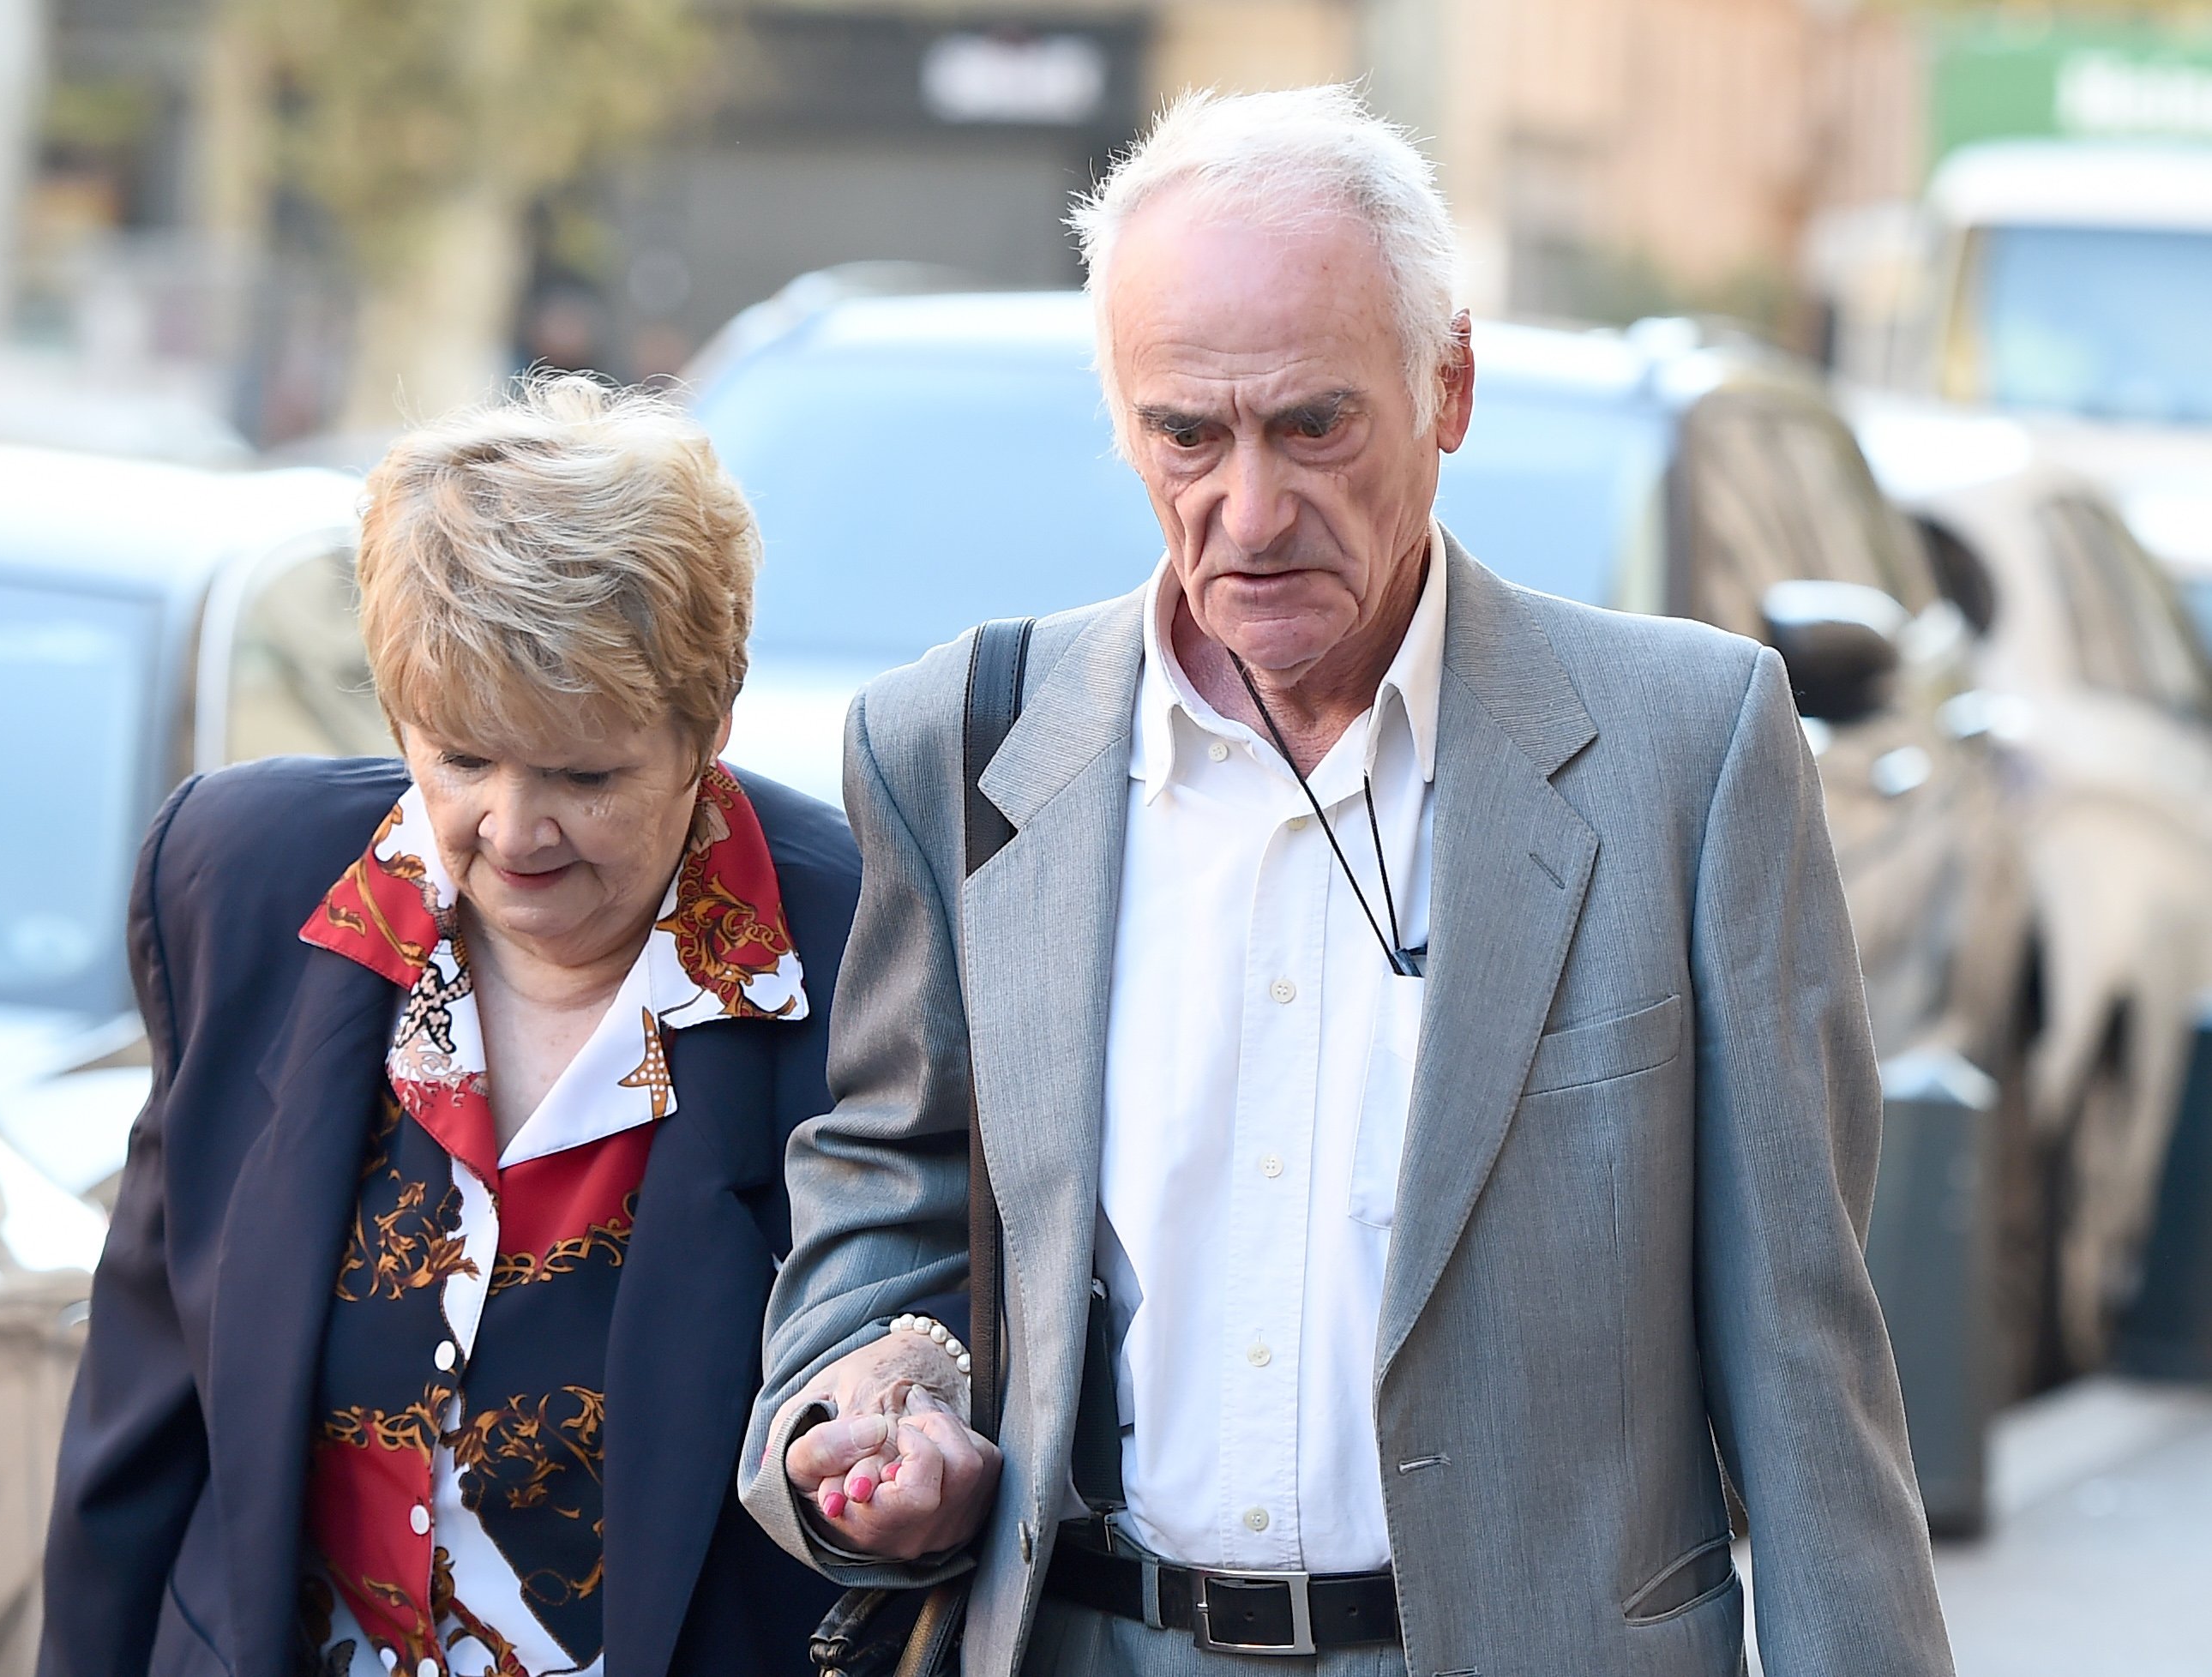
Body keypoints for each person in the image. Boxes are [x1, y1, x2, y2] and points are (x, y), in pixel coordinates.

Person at [740, 86, 1954, 1676]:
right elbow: (895, 1196)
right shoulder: (954, 748)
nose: (1248, 512)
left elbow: (1807, 1362)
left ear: (1448, 384)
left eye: (1315, 425)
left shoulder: (1690, 752)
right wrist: (858, 1422)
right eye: (1188, 435)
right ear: (1124, 419)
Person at [43, 376, 853, 1677]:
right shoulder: (244, 886)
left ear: (709, 723)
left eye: (586, 775)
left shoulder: (870, 946)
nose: (516, 831)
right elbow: (140, 1428)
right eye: (463, 759)